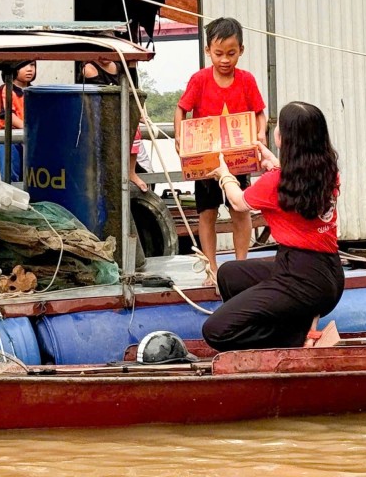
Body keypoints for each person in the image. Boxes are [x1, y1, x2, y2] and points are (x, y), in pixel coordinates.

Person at [201, 101, 344, 351]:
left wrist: (224, 174)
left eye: (278, 128)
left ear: (284, 139)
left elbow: (238, 201)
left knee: (215, 331)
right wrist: (275, 163)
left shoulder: (275, 183)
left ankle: (294, 336)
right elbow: (295, 178)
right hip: (327, 273)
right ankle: (288, 320)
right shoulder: (327, 171)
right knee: (229, 274)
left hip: (302, 278)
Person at [174, 17, 267, 282]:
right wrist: (180, 135)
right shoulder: (200, 80)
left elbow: (259, 113)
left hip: (237, 159)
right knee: (207, 212)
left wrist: (260, 133)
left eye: (231, 53)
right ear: (207, 52)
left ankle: (241, 267)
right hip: (207, 160)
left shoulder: (246, 80)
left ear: (241, 51)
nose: (225, 60)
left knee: (240, 209)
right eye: (218, 54)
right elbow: (181, 109)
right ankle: (211, 269)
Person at [78, 58, 152, 192]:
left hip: (119, 111)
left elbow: (130, 90)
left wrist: (136, 112)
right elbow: (101, 98)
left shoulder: (119, 67)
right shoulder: (89, 68)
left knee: (134, 129)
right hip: (96, 113)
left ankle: (131, 172)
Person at [0, 60, 36, 182]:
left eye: (32, 65)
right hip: (11, 138)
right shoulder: (5, 89)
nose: (30, 69)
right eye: (24, 65)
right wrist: (27, 129)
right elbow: (7, 115)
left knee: (33, 176)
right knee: (11, 176)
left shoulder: (35, 91)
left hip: (30, 139)